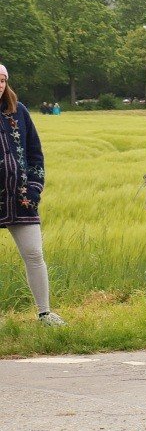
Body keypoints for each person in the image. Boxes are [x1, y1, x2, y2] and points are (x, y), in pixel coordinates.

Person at [0, 65, 65, 326]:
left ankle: (44, 313)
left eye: (3, 80)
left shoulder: (18, 111)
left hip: (22, 198)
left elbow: (35, 153)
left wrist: (35, 187)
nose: (0, 85)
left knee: (34, 254)